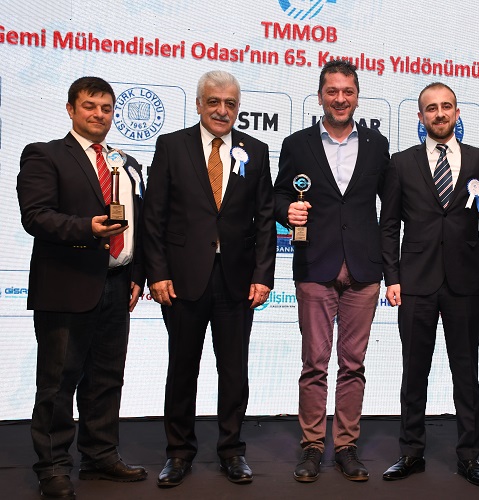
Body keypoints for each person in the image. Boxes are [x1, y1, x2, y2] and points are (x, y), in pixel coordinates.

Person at [141, 70, 276, 488]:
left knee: (234, 371)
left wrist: (263, 275)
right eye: (213, 101)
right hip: (183, 279)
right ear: (199, 104)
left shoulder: (256, 150)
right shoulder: (171, 146)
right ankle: (179, 453)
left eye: (230, 103)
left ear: (238, 107)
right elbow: (153, 216)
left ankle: (232, 451)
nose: (222, 110)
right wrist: (157, 273)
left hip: (237, 281)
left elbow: (265, 219)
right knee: (183, 367)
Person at [17, 76, 147, 499]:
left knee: (107, 379)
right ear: (71, 109)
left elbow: (139, 223)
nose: (99, 114)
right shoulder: (45, 155)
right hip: (67, 286)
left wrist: (137, 274)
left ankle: (100, 456)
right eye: (90, 106)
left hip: (117, 284)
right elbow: (36, 216)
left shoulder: (124, 162)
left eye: (106, 108)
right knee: (58, 383)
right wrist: (86, 228)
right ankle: (53, 467)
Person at [273, 59, 390, 483]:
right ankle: (311, 446)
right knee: (314, 364)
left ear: (357, 96)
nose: (340, 99)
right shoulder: (296, 143)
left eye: (348, 92)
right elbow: (277, 196)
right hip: (314, 265)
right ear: (320, 95)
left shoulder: (377, 145)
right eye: (332, 91)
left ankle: (345, 446)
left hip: (364, 269)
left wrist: (392, 267)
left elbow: (390, 208)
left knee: (353, 364)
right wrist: (286, 211)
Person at [380, 82, 479, 488]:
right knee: (414, 372)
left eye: (446, 107)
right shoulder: (400, 163)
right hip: (415, 282)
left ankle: (470, 456)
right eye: (431, 108)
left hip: (465, 283)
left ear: (457, 113)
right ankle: (411, 452)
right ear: (420, 116)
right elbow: (388, 225)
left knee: (466, 372)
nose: (439, 113)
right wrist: (392, 277)